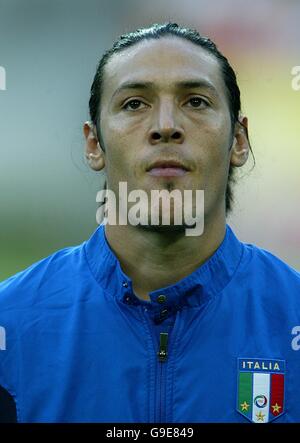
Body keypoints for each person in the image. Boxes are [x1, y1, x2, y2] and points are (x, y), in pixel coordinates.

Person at [0, 22, 299, 424]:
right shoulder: (11, 323)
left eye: (195, 101)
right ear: (94, 144)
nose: (165, 126)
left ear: (239, 141)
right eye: (134, 104)